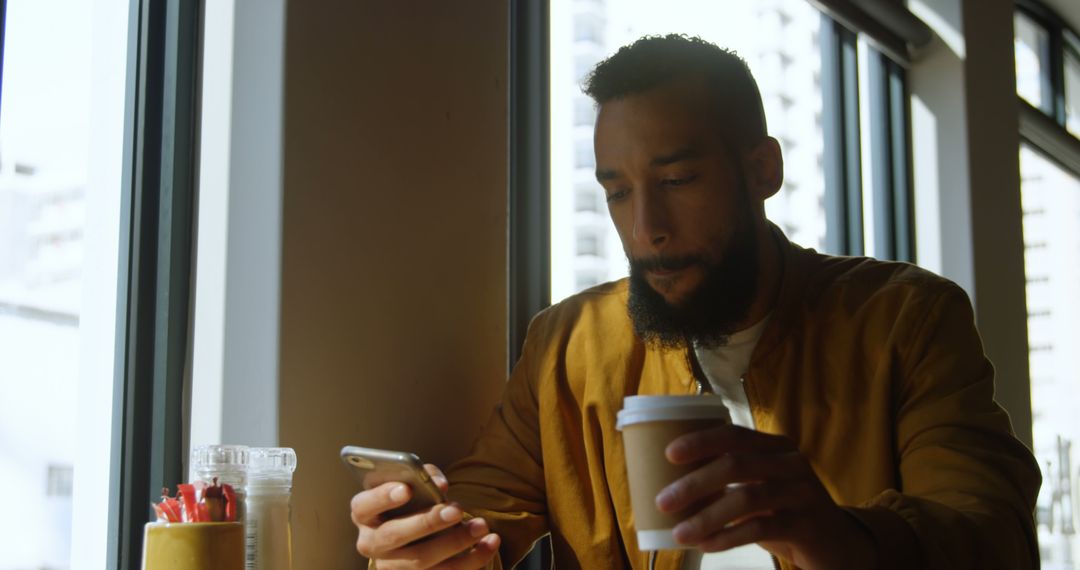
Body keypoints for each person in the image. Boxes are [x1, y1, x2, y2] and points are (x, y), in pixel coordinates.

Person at [350, 34, 1041, 569]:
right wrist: (424, 541)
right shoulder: (570, 345)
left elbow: (990, 533)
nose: (645, 225)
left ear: (762, 169)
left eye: (677, 179)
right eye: (618, 191)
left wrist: (835, 532)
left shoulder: (904, 320)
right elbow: (481, 508)